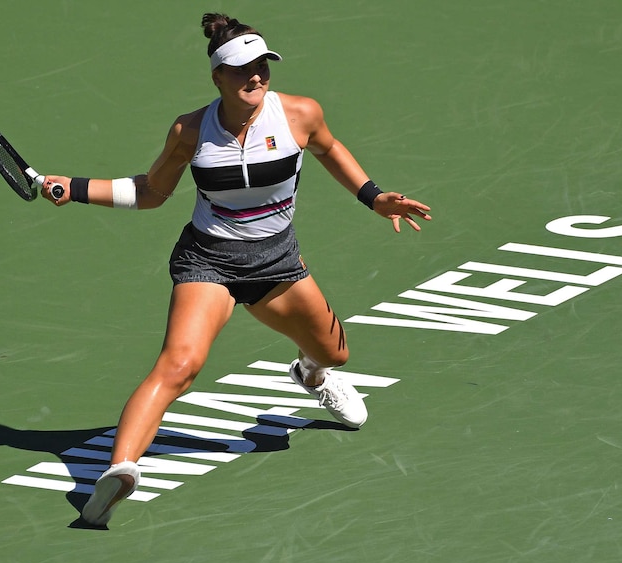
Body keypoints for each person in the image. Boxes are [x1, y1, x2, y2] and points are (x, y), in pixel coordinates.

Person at [41, 12, 431, 527]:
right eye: (243, 68)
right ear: (217, 77)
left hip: (276, 261)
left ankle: (310, 374)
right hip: (209, 261)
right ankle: (119, 472)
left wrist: (374, 197)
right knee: (179, 364)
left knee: (335, 352)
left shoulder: (299, 114)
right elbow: (151, 192)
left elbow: (330, 149)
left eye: (263, 67)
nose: (256, 77)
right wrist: (75, 187)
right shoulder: (189, 131)